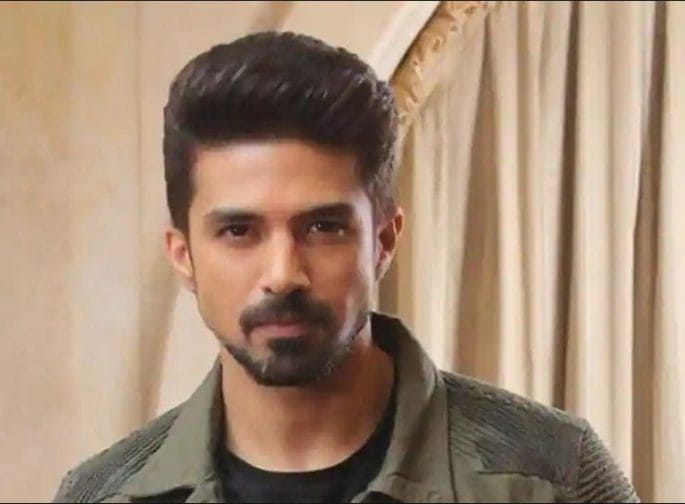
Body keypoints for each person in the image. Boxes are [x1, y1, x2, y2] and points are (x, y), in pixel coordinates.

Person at [53, 31, 639, 503]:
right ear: (183, 257)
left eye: (323, 227)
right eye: (239, 231)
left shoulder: (554, 477)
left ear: (383, 240)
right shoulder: (104, 495)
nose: (283, 274)